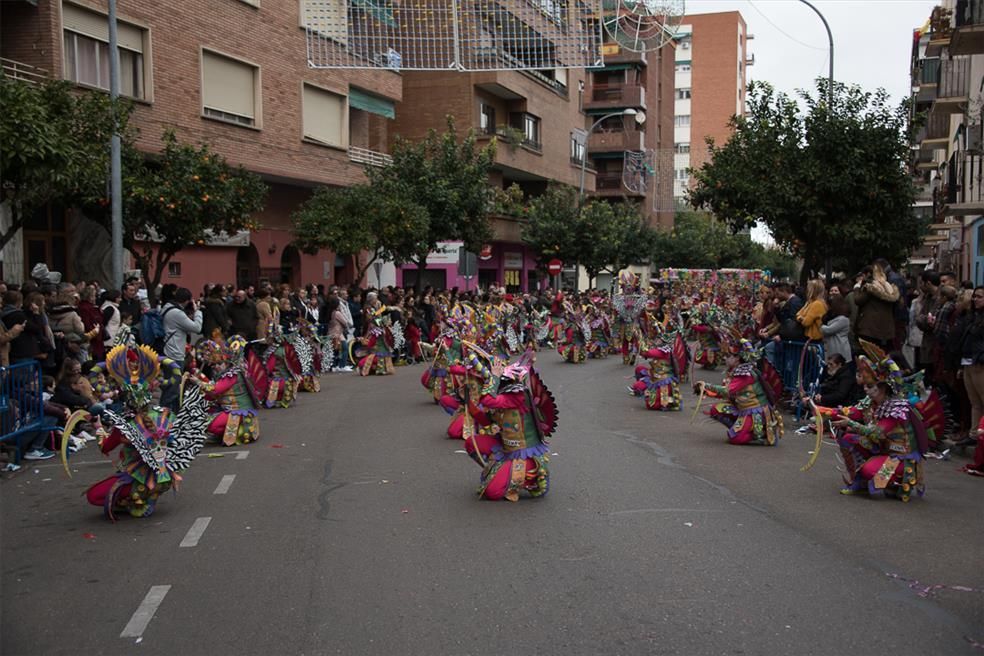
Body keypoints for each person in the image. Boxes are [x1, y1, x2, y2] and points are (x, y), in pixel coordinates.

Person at [82, 344, 208, 519]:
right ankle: (147, 494)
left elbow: (105, 448)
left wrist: (98, 429)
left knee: (93, 496)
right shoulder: (164, 414)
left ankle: (136, 496)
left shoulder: (126, 424)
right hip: (166, 476)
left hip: (139, 477)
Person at [831, 346, 928, 502]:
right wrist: (820, 409)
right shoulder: (871, 401)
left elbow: (877, 432)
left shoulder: (895, 409)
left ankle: (892, 481)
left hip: (899, 458)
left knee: (869, 471)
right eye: (865, 385)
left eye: (870, 386)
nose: (865, 389)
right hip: (881, 448)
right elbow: (850, 412)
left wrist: (851, 423)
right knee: (848, 438)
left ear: (883, 388)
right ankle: (859, 480)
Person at [695, 335, 784, 446]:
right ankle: (739, 427)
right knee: (716, 410)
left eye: (729, 356)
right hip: (742, 408)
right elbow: (726, 394)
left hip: (754, 411)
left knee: (736, 438)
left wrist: (706, 385)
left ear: (737, 358)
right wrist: (706, 391)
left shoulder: (744, 374)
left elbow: (727, 391)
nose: (725, 358)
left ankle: (759, 433)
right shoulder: (735, 371)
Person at [854, 263, 901, 349]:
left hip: (870, 330)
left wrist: (857, 287)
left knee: (868, 357)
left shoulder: (871, 287)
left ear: (869, 274)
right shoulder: (888, 287)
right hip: (887, 331)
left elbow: (858, 300)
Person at [820, 296, 852, 364]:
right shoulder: (832, 318)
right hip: (831, 350)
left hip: (840, 350)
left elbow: (829, 330)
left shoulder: (843, 319)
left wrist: (821, 326)